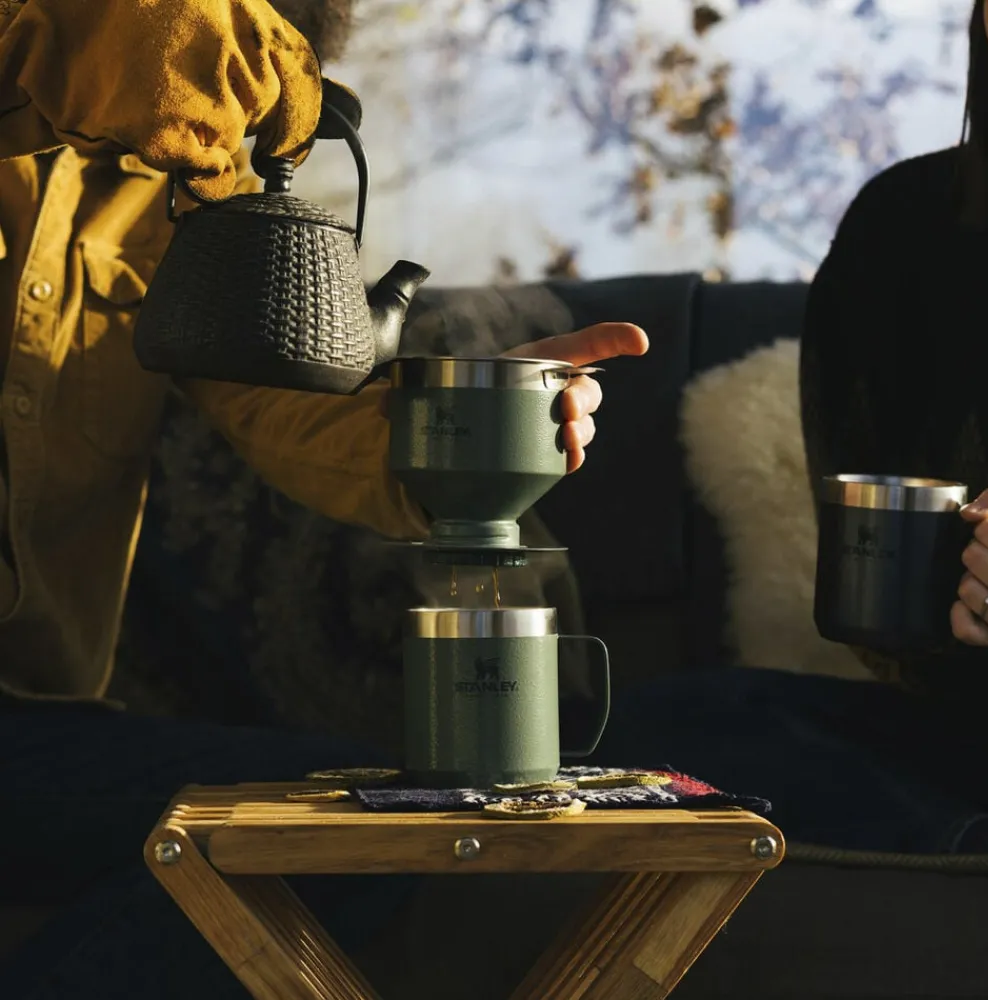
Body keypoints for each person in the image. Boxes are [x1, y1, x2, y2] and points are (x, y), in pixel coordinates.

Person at [0, 1, 648, 997]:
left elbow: (278, 400)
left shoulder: (180, 180)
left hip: (32, 724)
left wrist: (465, 424)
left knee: (356, 835)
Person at [598, 0, 988, 861]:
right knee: (653, 726)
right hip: (962, 740)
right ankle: (961, 848)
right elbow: (883, 599)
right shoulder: (906, 225)